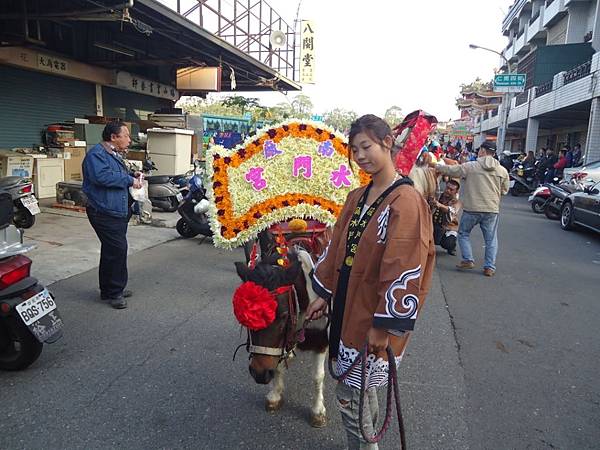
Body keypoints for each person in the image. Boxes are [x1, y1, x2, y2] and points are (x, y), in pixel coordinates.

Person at [306, 115, 435, 449]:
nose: (360, 155)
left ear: (387, 142)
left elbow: (405, 263)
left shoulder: (405, 201)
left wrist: (384, 325)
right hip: (349, 306)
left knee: (349, 395)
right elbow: (337, 249)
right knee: (361, 389)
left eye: (366, 146)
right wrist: (324, 292)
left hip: (372, 316)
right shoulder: (356, 196)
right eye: (354, 150)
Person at [82, 121, 142, 309]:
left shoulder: (112, 153)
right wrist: (129, 180)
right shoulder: (97, 154)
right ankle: (115, 292)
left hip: (115, 209)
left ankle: (108, 289)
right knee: (117, 250)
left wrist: (133, 174)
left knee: (110, 250)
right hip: (104, 211)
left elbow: (114, 173)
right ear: (113, 137)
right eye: (125, 135)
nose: (129, 139)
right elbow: (102, 177)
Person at [428, 141, 509, 277]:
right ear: (494, 153)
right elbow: (505, 190)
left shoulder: (472, 166)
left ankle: (468, 259)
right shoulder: (502, 171)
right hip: (491, 210)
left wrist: (435, 166)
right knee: (491, 240)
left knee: (463, 234)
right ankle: (489, 267)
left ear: (482, 151)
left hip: (472, 208)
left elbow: (452, 170)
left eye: (480, 150)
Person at [431, 179, 462, 255]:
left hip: (448, 228)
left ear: (456, 192)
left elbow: (452, 210)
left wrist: (439, 205)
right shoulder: (438, 195)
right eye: (447, 188)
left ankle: (452, 246)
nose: (448, 190)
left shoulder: (457, 202)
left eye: (451, 190)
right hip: (433, 224)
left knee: (448, 243)